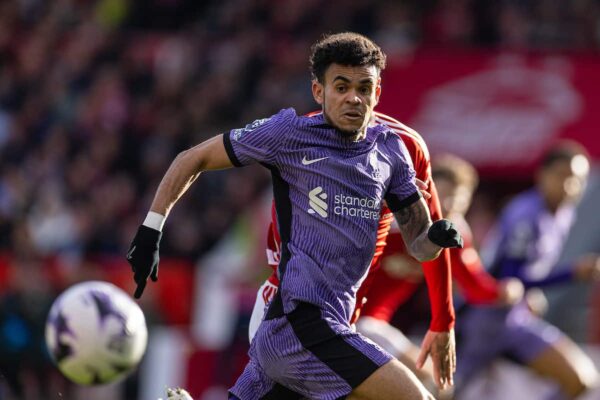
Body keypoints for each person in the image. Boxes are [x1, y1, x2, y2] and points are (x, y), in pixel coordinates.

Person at [126, 32, 463, 400]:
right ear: (319, 92)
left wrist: (437, 237)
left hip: (321, 324)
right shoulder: (290, 135)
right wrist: (151, 229)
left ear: (377, 93)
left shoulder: (392, 152)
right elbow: (193, 158)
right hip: (301, 323)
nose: (354, 97)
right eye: (342, 86)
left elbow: (418, 245)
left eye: (364, 88)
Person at [249, 113, 518, 395]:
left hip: (365, 325)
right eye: (443, 194)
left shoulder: (452, 233)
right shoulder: (393, 223)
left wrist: (507, 292)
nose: (449, 203)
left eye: (458, 197)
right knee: (425, 382)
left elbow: (475, 286)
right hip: (337, 321)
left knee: (428, 382)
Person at [456, 141, 600, 399]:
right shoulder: (525, 214)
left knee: (580, 380)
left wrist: (531, 293)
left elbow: (525, 278)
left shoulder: (563, 214)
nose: (569, 185)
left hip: (516, 318)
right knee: (441, 392)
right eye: (561, 176)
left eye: (576, 179)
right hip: (484, 319)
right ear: (542, 175)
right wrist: (572, 273)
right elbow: (511, 280)